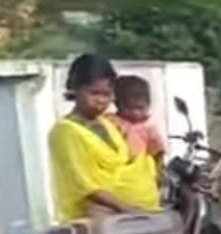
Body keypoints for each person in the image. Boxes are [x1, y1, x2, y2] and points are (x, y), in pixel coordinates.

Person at [49, 54, 159, 222]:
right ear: (75, 89)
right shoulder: (65, 132)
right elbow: (84, 184)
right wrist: (128, 209)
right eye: (94, 93)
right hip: (101, 223)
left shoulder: (108, 123)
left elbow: (128, 159)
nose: (100, 100)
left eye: (106, 94)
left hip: (137, 215)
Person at [112, 75, 164, 164]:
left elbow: (158, 153)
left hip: (141, 168)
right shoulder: (112, 122)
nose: (135, 113)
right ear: (117, 105)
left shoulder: (149, 128)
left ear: (148, 105)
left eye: (140, 108)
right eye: (129, 108)